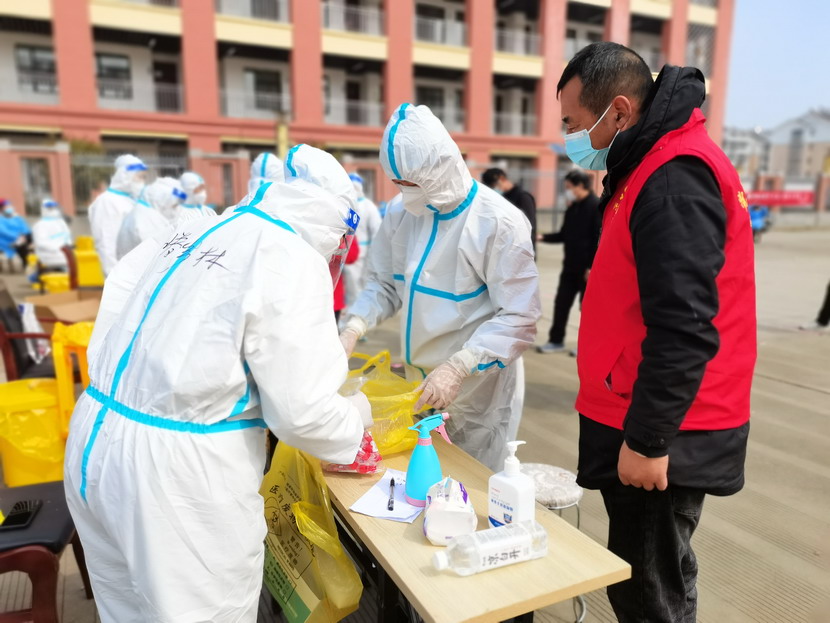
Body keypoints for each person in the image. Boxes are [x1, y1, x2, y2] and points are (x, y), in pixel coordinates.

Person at [64, 144, 371, 623]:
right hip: (176, 475)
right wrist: (355, 420)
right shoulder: (288, 253)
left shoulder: (196, 229)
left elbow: (124, 296)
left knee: (125, 608)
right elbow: (303, 413)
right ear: (336, 224)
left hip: (96, 438)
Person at [559, 43, 756, 622]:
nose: (569, 137)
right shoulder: (649, 164)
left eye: (573, 123)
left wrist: (648, 441)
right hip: (640, 410)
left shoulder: (672, 176)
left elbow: (684, 323)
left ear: (619, 112)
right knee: (662, 577)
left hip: (660, 427)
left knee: (647, 593)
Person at [339, 103, 541, 470]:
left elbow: (518, 317)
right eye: (398, 184)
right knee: (424, 478)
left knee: (471, 481)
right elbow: (384, 284)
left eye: (411, 184)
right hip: (417, 386)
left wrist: (459, 366)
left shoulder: (498, 222)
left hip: (476, 389)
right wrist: (352, 327)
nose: (405, 193)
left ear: (439, 170)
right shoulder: (401, 213)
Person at [536, 169, 601, 354]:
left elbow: (598, 239)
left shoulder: (596, 206)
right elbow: (564, 235)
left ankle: (586, 346)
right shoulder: (573, 208)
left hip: (587, 269)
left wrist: (591, 266)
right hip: (570, 266)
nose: (567, 191)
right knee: (561, 303)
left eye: (569, 187)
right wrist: (542, 237)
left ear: (580, 186)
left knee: (587, 309)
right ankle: (556, 340)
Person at [89, 154, 147, 276]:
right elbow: (106, 243)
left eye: (143, 177)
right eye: (139, 177)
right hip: (123, 273)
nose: (142, 182)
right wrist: (114, 276)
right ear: (124, 175)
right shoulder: (107, 202)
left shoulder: (133, 200)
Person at [115, 177, 184, 261]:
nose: (175, 210)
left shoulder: (143, 211)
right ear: (162, 200)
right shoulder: (148, 221)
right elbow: (160, 253)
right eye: (174, 206)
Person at [342, 172, 383, 306]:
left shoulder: (368, 206)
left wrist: (374, 251)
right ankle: (353, 311)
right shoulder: (346, 207)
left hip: (366, 252)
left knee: (366, 283)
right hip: (350, 253)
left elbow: (377, 230)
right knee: (351, 285)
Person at [481, 168, 537, 253]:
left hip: (521, 250)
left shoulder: (523, 197)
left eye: (494, 185)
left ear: (502, 178)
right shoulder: (501, 198)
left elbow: (529, 226)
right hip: (504, 249)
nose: (494, 189)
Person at [32, 198, 73, 271]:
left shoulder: (61, 223)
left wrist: (67, 248)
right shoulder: (40, 225)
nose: (54, 211)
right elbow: (41, 243)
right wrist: (58, 249)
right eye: (50, 209)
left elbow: (67, 238)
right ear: (43, 210)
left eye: (55, 208)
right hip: (49, 256)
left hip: (65, 254)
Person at [0, 200, 31, 268]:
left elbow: (25, 228)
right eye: (7, 206)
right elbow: (4, 232)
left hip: (22, 238)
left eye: (10, 206)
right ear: (1, 208)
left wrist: (23, 235)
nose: (10, 208)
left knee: (30, 237)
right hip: (7, 241)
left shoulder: (17, 217)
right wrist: (18, 236)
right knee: (23, 246)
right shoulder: (1, 219)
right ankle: (26, 264)